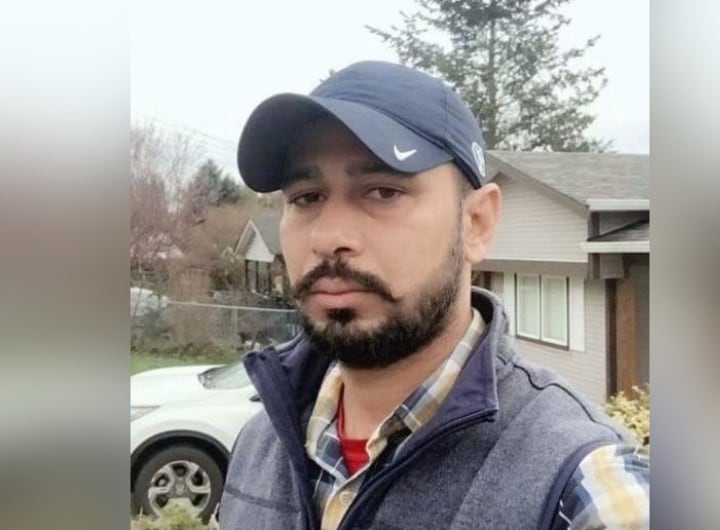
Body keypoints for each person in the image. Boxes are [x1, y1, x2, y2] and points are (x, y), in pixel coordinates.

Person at [219, 61, 649, 530]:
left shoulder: (578, 484)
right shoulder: (259, 448)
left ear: (476, 223)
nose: (328, 236)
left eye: (383, 191)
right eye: (306, 197)